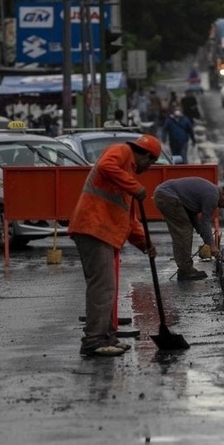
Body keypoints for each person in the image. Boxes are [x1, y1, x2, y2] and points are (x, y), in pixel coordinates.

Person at [68, 134, 162, 357]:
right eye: (151, 162)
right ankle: (93, 340)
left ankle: (107, 336)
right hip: (93, 229)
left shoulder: (125, 173)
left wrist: (145, 243)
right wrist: (133, 186)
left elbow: (129, 220)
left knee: (107, 288)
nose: (149, 168)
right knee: (102, 287)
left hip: (102, 232)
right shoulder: (121, 151)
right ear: (146, 155)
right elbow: (104, 165)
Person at [153, 177, 224, 281]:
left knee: (184, 230)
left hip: (164, 194)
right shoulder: (213, 196)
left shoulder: (211, 191)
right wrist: (212, 245)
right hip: (167, 196)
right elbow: (206, 222)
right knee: (183, 232)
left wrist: (202, 233)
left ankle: (184, 269)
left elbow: (192, 215)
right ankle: (186, 270)